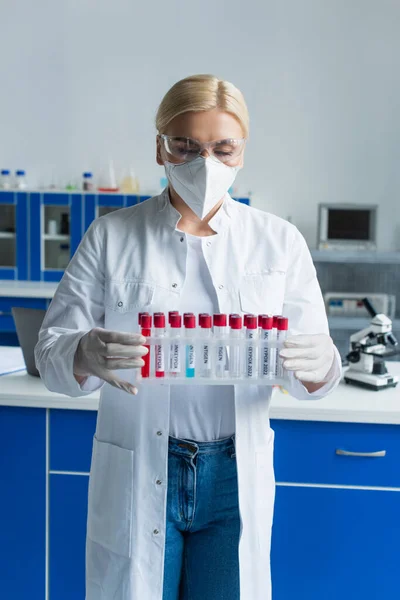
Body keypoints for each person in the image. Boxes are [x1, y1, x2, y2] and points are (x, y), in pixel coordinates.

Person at [35, 74, 342, 600]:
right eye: (186, 146)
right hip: (142, 463)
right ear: (160, 147)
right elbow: (50, 351)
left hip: (233, 472)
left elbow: (312, 368)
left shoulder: (279, 242)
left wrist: (323, 363)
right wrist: (80, 350)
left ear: (242, 152)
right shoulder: (111, 236)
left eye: (224, 148)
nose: (207, 163)